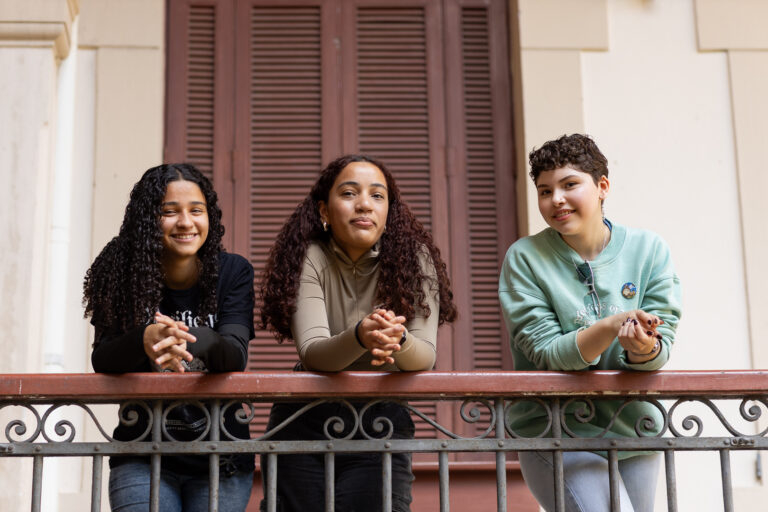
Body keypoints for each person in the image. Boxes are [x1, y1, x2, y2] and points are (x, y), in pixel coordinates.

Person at [259, 154, 456, 512]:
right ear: (324, 209)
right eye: (349, 193)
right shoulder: (310, 256)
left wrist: (397, 339)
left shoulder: (416, 258)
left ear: (389, 213)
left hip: (382, 420)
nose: (364, 203)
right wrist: (362, 336)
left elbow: (424, 355)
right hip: (304, 419)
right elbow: (314, 351)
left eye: (377, 195)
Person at [498, 134, 682, 512]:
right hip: (553, 432)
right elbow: (549, 353)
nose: (556, 200)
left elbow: (661, 346)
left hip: (635, 430)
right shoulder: (524, 258)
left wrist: (644, 348)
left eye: (569, 185)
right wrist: (614, 325)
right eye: (545, 190)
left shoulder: (650, 251)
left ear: (602, 187)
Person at [83, 163, 255, 512]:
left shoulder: (233, 271)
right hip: (142, 452)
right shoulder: (122, 273)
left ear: (210, 216)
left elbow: (234, 355)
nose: (186, 222)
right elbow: (102, 358)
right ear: (148, 220)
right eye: (169, 212)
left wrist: (189, 338)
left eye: (196, 210)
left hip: (221, 456)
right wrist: (144, 338)